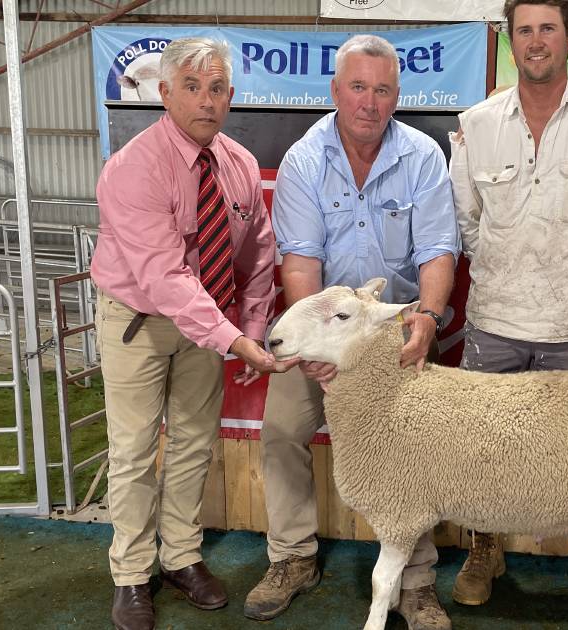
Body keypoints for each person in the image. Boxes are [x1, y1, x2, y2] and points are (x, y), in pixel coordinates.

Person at [243, 34, 460, 630]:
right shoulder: (305, 160)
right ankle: (292, 557)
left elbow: (439, 250)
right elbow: (300, 264)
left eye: (382, 89)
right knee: (284, 429)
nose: (369, 101)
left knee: (413, 445)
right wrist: (316, 346)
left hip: (395, 327)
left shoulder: (420, 155)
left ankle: (415, 582)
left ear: (396, 95)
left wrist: (427, 318)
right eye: (358, 87)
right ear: (336, 91)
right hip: (323, 324)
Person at [447, 0, 568, 624]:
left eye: (548, 30)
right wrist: (511, 268)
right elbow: (466, 223)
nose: (536, 42)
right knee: (480, 449)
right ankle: (484, 550)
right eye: (524, 30)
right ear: (511, 42)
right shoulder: (475, 124)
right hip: (493, 324)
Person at [90, 37, 296, 630]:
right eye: (192, 87)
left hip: (211, 325)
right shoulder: (132, 168)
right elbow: (162, 276)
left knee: (192, 444)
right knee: (131, 452)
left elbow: (257, 257)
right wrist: (233, 339)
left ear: (230, 95)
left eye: (217, 89)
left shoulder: (236, 163)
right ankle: (130, 574)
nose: (206, 101)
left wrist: (252, 326)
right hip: (141, 322)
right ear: (164, 93)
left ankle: (180, 556)